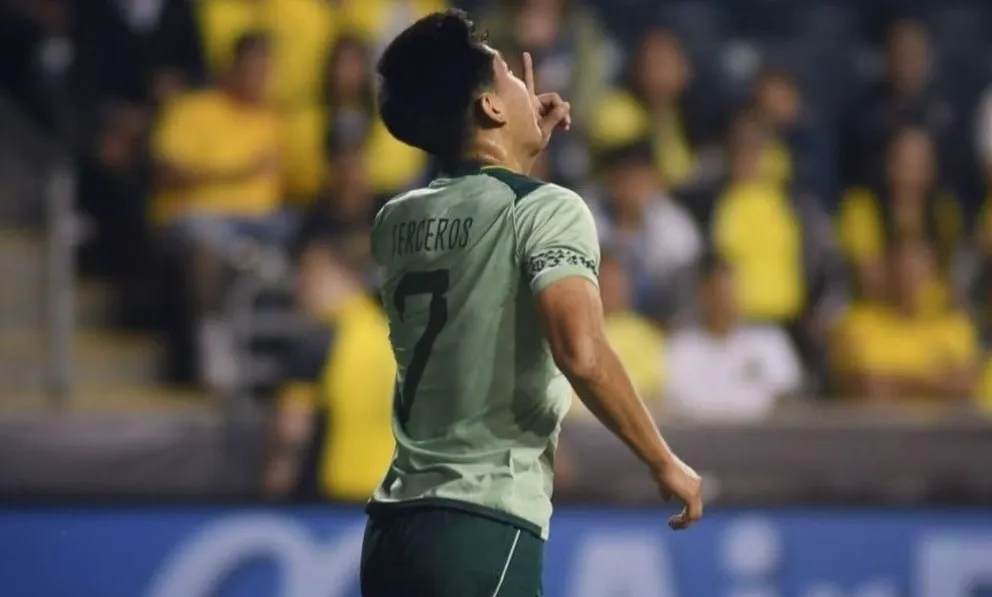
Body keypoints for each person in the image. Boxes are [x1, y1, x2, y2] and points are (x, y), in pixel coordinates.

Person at [360, 10, 702, 597]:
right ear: (491, 108)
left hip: (394, 528)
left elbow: (475, 218)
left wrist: (515, 150)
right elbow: (582, 352)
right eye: (510, 78)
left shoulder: (395, 221)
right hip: (482, 521)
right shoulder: (548, 209)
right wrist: (662, 459)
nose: (527, 84)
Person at [263, 231, 395, 502]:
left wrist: (271, 496)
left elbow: (291, 434)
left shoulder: (318, 342)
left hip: (333, 495)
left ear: (341, 275)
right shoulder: (394, 336)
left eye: (309, 274)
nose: (299, 287)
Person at [665, 252, 802, 421]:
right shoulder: (680, 347)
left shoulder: (770, 342)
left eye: (731, 290)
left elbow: (787, 401)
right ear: (702, 294)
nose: (725, 299)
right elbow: (672, 405)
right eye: (718, 291)